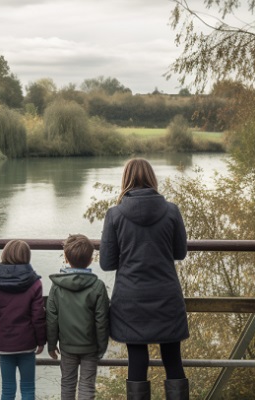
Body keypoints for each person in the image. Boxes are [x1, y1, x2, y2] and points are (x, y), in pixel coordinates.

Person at [99, 158, 189, 400]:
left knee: (137, 359)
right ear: (152, 179)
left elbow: (107, 263)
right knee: (173, 357)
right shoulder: (171, 211)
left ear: (125, 179)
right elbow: (180, 252)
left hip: (131, 298)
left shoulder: (115, 214)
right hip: (166, 296)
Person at [46, 234, 110, 400]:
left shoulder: (57, 287)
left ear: (66, 258)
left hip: (67, 346)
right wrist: (102, 346)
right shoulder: (98, 286)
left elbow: (51, 319)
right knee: (87, 386)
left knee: (67, 384)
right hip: (90, 347)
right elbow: (102, 321)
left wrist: (52, 344)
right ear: (90, 260)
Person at [0, 240, 47, 400]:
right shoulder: (35, 283)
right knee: (28, 388)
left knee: (7, 389)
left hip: (4, 344)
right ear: (27, 257)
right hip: (27, 343)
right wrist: (41, 341)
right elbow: (38, 317)